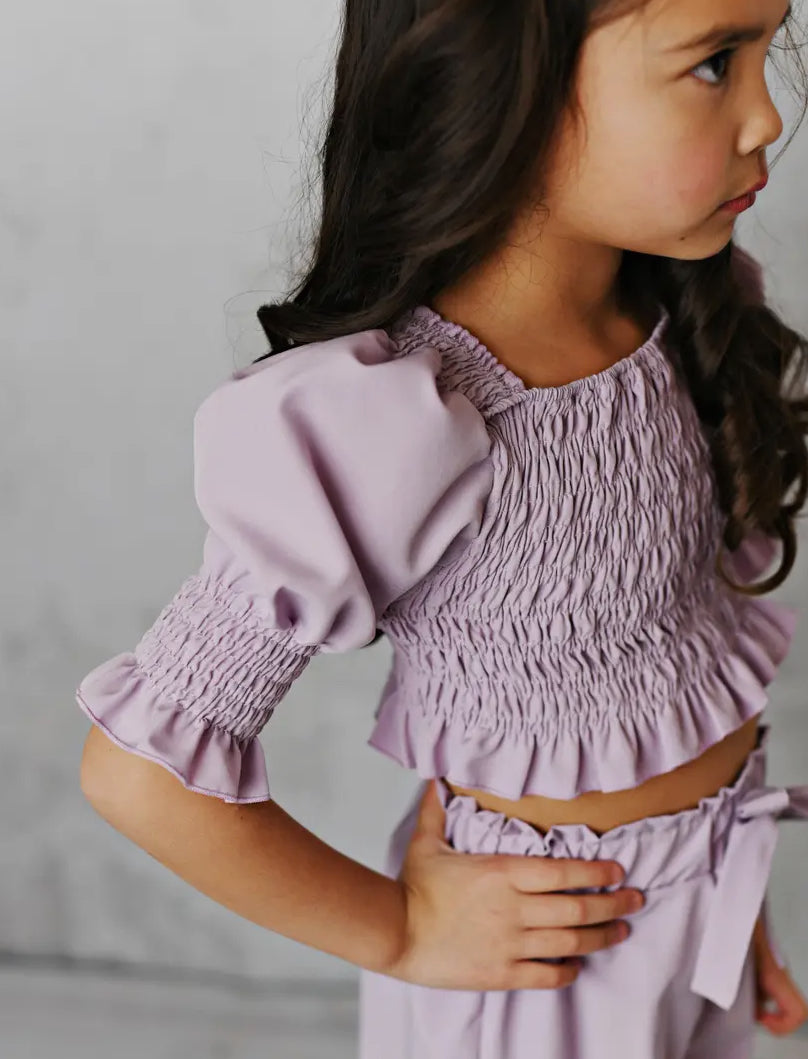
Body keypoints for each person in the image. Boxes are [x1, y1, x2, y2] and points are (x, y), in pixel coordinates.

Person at [75, 0, 808, 1055]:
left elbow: (682, 704)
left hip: (699, 926)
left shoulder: (677, 317)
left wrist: (732, 929)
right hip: (544, 973)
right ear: (509, 85)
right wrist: (404, 929)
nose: (768, 116)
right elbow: (138, 776)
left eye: (766, 50)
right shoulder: (402, 422)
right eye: (713, 63)